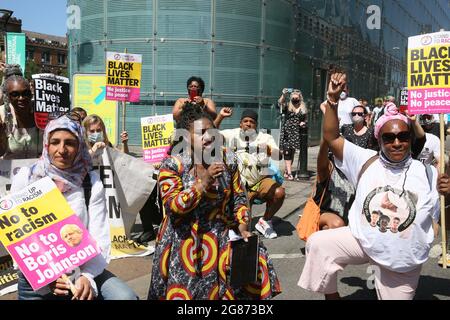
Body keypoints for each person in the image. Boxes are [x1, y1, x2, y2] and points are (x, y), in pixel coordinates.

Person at [298, 71, 439, 300]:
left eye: (403, 136)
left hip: (401, 259)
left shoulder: (427, 172)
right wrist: (333, 101)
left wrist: (448, 196)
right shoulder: (365, 160)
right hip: (361, 240)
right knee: (319, 244)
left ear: (410, 139)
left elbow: (439, 226)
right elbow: (332, 137)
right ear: (379, 140)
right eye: (389, 138)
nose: (396, 142)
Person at [147, 104, 281, 300]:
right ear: (186, 138)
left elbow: (239, 199)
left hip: (221, 239)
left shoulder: (227, 159)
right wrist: (204, 182)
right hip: (183, 244)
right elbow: (174, 206)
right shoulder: (173, 165)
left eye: (211, 131)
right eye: (201, 133)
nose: (208, 137)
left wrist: (243, 227)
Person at [11, 114, 138, 300]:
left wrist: (87, 277)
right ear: (47, 144)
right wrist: (47, 275)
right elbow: (17, 235)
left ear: (79, 147)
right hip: (38, 279)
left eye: (69, 143)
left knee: (125, 297)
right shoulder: (27, 177)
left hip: (82, 270)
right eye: (55, 142)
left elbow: (99, 238)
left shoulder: (90, 182)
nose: (62, 150)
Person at [216, 109, 285, 239]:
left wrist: (271, 151)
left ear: (256, 125)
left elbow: (279, 155)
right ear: (240, 124)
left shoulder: (265, 138)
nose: (248, 124)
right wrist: (220, 116)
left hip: (260, 181)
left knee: (279, 192)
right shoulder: (232, 134)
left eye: (252, 122)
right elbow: (211, 134)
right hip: (239, 185)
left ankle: (265, 221)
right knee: (243, 229)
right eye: (245, 121)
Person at [0, 64, 43, 159]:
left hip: (37, 171)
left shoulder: (42, 111)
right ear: (7, 96)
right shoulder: (1, 114)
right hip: (8, 171)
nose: (21, 98)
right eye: (15, 94)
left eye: (26, 93)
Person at [313, 139, 355, 230]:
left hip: (347, 221)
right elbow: (322, 155)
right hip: (322, 215)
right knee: (336, 224)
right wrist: (326, 139)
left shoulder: (354, 172)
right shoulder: (328, 167)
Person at [278, 88, 308, 180]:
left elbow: (306, 119)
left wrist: (303, 123)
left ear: (300, 98)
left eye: (296, 98)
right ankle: (290, 173)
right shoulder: (287, 105)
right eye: (293, 98)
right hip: (287, 131)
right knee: (287, 152)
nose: (295, 100)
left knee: (292, 152)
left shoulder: (303, 107)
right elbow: (280, 103)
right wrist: (283, 94)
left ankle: (287, 171)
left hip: (296, 132)